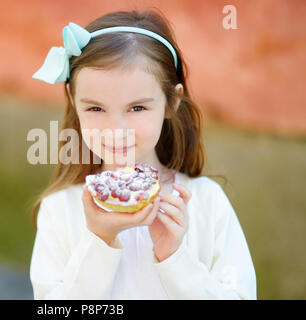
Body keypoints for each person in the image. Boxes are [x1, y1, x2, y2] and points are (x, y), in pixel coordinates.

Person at [29, 9, 257, 299]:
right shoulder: (59, 210)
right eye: (95, 108)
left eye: (137, 108)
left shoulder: (207, 202)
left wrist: (174, 257)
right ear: (74, 102)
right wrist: (98, 241)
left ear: (172, 101)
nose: (116, 129)